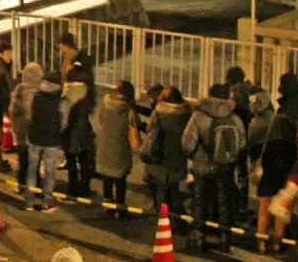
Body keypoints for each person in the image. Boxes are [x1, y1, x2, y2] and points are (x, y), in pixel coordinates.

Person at [185, 84, 246, 253]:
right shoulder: (234, 118)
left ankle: (199, 237)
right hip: (225, 168)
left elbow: (187, 144)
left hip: (201, 167)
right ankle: (225, 237)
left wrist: (195, 156)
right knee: (223, 201)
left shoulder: (198, 117)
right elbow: (241, 144)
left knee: (200, 201)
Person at [140, 87, 193, 234]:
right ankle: (179, 222)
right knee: (175, 190)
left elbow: (151, 129)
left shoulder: (159, 112)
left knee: (161, 191)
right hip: (177, 155)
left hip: (160, 155)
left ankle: (164, 222)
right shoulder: (187, 113)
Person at [249, 90, 297, 255]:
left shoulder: (268, 142)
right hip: (282, 181)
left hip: (267, 180)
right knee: (279, 214)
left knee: (263, 211)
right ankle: (277, 243)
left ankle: (261, 242)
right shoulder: (291, 146)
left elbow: (261, 158)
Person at [23, 71, 67, 210]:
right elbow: (63, 122)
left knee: (32, 168)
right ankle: (47, 201)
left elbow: (29, 114)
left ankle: (29, 199)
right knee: (50, 171)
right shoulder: (61, 99)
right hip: (51, 140)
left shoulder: (36, 95)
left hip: (35, 137)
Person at [92, 82, 137, 217]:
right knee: (120, 180)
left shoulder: (105, 106)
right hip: (120, 148)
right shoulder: (129, 111)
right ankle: (120, 207)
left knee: (107, 178)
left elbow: (100, 121)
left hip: (105, 146)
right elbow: (134, 133)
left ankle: (107, 204)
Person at [62, 71, 97, 200]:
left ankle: (73, 188)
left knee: (71, 161)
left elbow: (63, 117)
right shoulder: (86, 93)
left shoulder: (66, 93)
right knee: (84, 160)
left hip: (70, 131)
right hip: (83, 130)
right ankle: (85, 188)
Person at [9, 60, 46, 182]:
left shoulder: (18, 89)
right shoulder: (37, 92)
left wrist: (16, 128)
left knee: (23, 161)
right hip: (34, 134)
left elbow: (12, 110)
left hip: (21, 133)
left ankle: (22, 184)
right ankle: (36, 187)